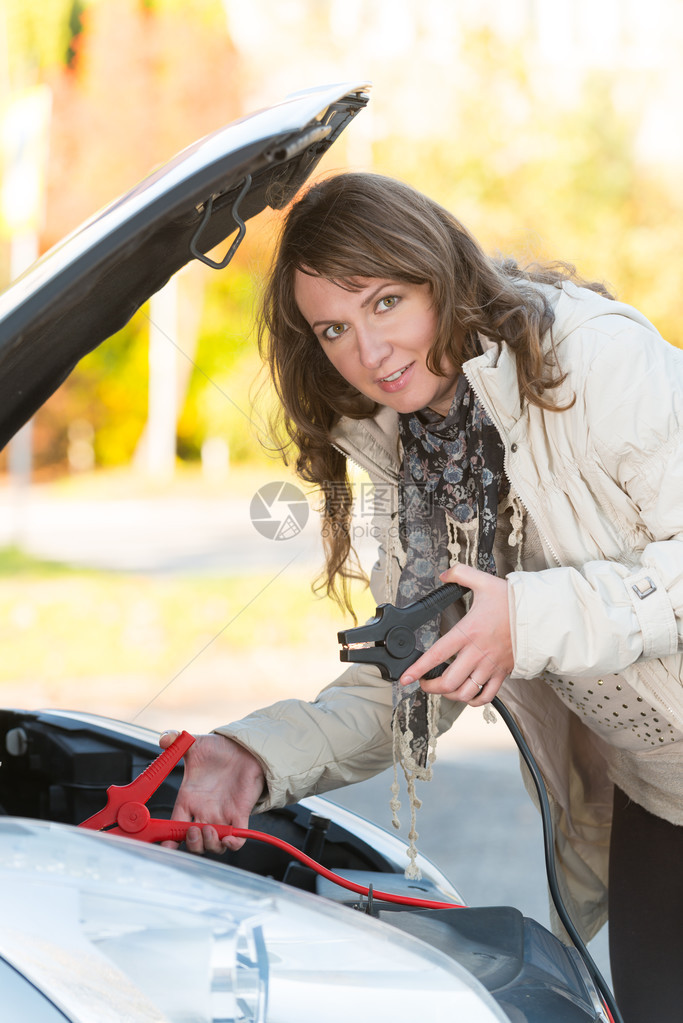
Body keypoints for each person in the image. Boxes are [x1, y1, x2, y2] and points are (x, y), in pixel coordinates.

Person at [160, 172, 683, 1022]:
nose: (367, 352)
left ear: (440, 275)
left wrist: (529, 618)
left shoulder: (593, 356)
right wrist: (255, 755)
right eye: (332, 327)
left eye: (385, 301)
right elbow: (408, 679)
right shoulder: (411, 448)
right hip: (661, 790)